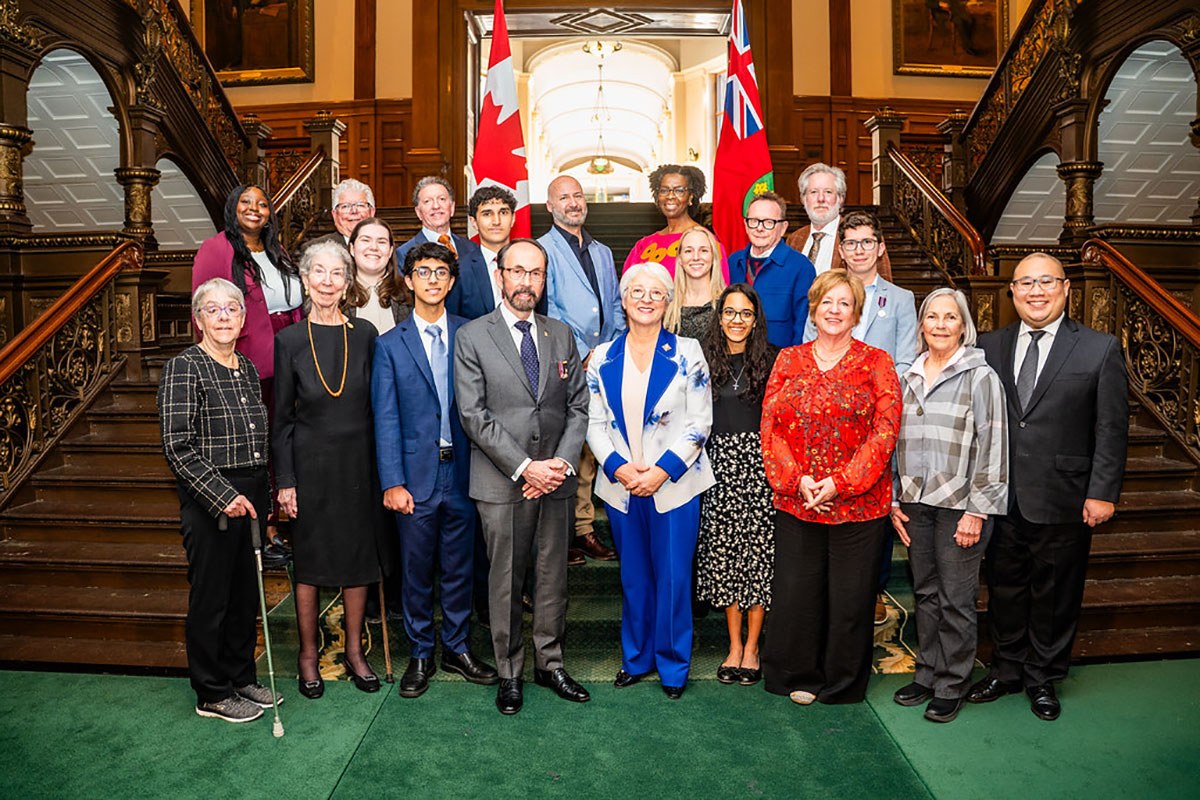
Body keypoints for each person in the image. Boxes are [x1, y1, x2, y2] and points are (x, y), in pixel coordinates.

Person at [968, 253, 1128, 722]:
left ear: (1065, 289)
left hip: (1065, 495)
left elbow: (1111, 428)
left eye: (1046, 282)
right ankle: (1007, 668)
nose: (1036, 292)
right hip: (1000, 494)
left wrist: (1103, 492)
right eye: (1026, 284)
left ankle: (1043, 676)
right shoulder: (988, 346)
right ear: (1012, 292)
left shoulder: (1099, 348)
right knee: (1004, 587)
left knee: (1056, 592)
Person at [454, 238, 592, 716]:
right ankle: (509, 671)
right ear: (500, 274)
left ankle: (549, 663)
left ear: (544, 278)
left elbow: (578, 406)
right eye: (518, 271)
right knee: (506, 580)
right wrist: (525, 467)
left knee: (553, 576)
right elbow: (473, 416)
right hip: (501, 480)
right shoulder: (473, 336)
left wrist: (558, 465)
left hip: (555, 479)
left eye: (535, 273)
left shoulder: (561, 334)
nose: (526, 282)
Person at [761, 270, 901, 705]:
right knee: (797, 595)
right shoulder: (788, 359)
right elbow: (770, 425)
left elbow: (886, 430)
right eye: (827, 302)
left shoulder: (877, 362)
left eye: (844, 303)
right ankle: (797, 674)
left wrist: (841, 483)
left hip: (859, 507)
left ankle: (841, 683)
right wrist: (796, 479)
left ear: (856, 313)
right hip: (797, 500)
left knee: (849, 600)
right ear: (814, 309)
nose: (835, 310)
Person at [371, 242, 499, 699]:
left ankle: (458, 647)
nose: (432, 279)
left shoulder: (472, 334)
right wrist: (392, 482)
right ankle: (421, 651)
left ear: (451, 280)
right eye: (422, 271)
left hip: (466, 472)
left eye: (441, 272)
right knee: (417, 570)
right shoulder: (388, 345)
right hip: (415, 478)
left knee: (462, 567)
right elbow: (385, 418)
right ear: (408, 280)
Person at [586, 262, 715, 700]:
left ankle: (673, 666)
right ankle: (636, 658)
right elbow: (593, 422)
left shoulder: (688, 351)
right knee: (635, 577)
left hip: (675, 485)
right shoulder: (602, 356)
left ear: (667, 301)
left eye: (655, 292)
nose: (645, 299)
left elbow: (700, 421)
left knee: (675, 577)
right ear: (623, 300)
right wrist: (620, 468)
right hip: (622, 486)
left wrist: (661, 471)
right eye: (636, 291)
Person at [272, 241, 393, 699]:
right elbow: (281, 418)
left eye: (335, 273)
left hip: (360, 466)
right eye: (317, 273)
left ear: (347, 283)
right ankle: (307, 655)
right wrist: (285, 481)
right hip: (310, 467)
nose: (326, 281)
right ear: (305, 280)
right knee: (311, 563)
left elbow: (379, 409)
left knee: (359, 559)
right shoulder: (288, 341)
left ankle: (355, 652)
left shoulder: (364, 335)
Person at [158, 277, 280, 723]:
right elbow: (178, 445)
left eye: (232, 308)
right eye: (214, 309)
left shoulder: (246, 367)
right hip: (209, 496)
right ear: (198, 319)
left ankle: (239, 675)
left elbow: (257, 443)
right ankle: (211, 691)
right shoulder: (184, 367)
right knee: (213, 598)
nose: (225, 316)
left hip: (249, 495)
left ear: (244, 320)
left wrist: (262, 502)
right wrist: (223, 495)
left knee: (245, 596)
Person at [889, 288, 1008, 723]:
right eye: (932, 317)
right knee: (925, 593)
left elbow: (993, 446)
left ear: (963, 326)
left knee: (956, 599)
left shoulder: (981, 376)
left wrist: (978, 511)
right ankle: (927, 672)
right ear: (921, 324)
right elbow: (894, 442)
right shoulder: (908, 376)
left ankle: (952, 683)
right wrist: (894, 496)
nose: (940, 324)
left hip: (962, 506)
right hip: (917, 503)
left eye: (950, 317)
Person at [803, 209, 917, 624]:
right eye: (851, 242)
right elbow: (807, 349)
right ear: (841, 248)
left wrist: (871, 405)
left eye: (867, 241)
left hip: (875, 424)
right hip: (826, 424)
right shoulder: (824, 292)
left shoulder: (901, 299)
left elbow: (905, 362)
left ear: (880, 247)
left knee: (877, 503)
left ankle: (874, 588)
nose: (859, 249)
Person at [192, 183, 303, 566]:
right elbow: (206, 309)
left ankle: (278, 519)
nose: (255, 209)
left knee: (280, 438)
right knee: (254, 443)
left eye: (262, 203)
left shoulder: (277, 250)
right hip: (246, 361)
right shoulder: (216, 249)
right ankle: (264, 530)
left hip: (287, 357)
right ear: (232, 207)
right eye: (246, 202)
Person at [696, 284, 778, 687]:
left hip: (761, 469)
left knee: (758, 559)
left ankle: (753, 647)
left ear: (755, 319)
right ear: (720, 316)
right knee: (727, 557)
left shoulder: (775, 359)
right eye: (730, 312)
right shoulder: (703, 359)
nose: (737, 320)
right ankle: (733, 645)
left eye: (745, 313)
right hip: (718, 468)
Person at [540, 174, 623, 564]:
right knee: (566, 446)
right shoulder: (542, 250)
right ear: (549, 206)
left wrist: (611, 349)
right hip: (564, 363)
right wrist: (582, 352)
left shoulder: (603, 251)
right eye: (564, 197)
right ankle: (566, 533)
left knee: (593, 448)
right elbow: (550, 308)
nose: (573, 203)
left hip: (604, 363)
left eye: (578, 196)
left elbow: (615, 305)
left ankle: (585, 529)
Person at [397, 176, 494, 320]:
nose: (436, 206)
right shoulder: (403, 253)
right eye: (427, 201)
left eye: (442, 199)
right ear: (418, 212)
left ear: (452, 207)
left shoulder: (472, 248)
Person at [728, 191, 814, 349]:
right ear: (745, 224)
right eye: (754, 221)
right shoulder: (732, 262)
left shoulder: (801, 267)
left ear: (783, 228)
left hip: (779, 364)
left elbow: (802, 326)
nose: (759, 228)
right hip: (735, 362)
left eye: (768, 222)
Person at [785, 163, 893, 281]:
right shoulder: (794, 239)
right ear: (804, 198)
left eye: (828, 192)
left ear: (840, 198)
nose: (821, 199)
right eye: (814, 192)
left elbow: (884, 287)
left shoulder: (865, 236)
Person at [624, 164, 730, 282]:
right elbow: (627, 288)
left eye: (679, 190)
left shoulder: (706, 241)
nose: (670, 196)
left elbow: (720, 287)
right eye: (664, 190)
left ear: (690, 197)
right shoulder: (643, 245)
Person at [345, 216, 411, 335]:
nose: (374, 247)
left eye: (381, 242)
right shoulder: (338, 294)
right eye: (365, 240)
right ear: (352, 248)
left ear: (390, 251)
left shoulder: (409, 292)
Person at [664, 226, 726, 341]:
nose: (696, 257)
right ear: (680, 259)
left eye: (703, 250)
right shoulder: (667, 307)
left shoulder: (726, 304)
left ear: (713, 257)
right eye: (688, 251)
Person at [470, 185, 517, 303]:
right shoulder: (461, 271)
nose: (496, 221)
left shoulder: (530, 263)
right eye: (487, 214)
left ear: (513, 219)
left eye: (503, 212)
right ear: (474, 222)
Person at [305, 178, 377, 251]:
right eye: (345, 206)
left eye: (360, 205)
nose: (354, 211)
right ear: (335, 215)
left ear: (372, 212)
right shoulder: (314, 249)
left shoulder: (385, 246)